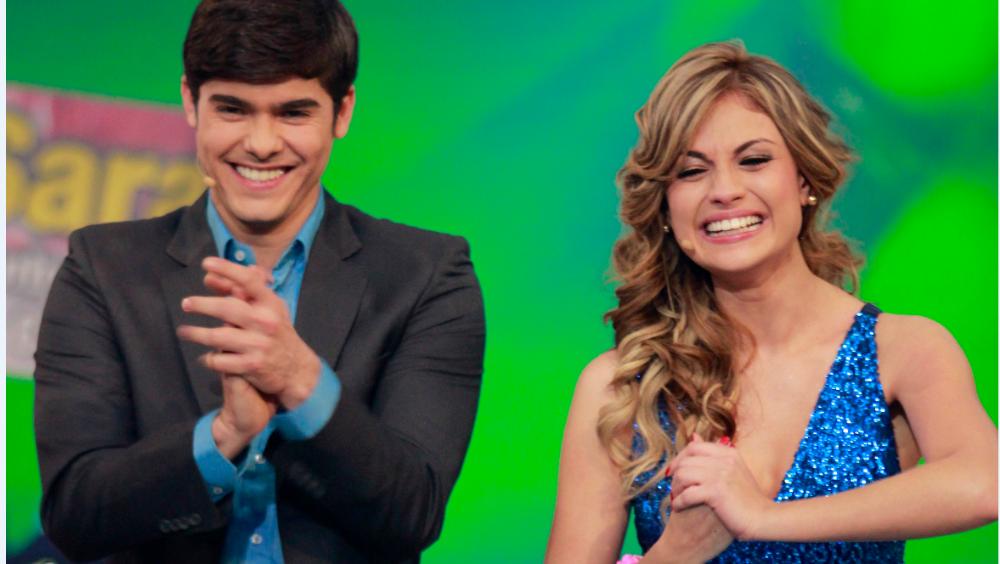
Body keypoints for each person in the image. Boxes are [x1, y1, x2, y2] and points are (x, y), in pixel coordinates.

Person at [33, 1, 485, 562]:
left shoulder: (428, 275)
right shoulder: (102, 267)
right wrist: (223, 435)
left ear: (342, 111)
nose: (262, 143)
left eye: (293, 112)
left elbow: (412, 513)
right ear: (190, 101)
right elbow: (75, 515)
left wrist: (300, 382)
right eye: (233, 109)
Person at [546, 41, 997, 563]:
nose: (724, 190)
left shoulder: (904, 351)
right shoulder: (622, 387)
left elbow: (984, 483)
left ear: (804, 180)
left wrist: (762, 518)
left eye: (754, 160)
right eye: (691, 171)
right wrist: (676, 553)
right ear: (665, 207)